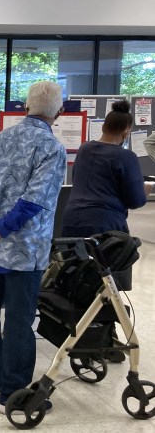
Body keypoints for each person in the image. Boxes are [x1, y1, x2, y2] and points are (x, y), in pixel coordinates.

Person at [0, 80, 66, 414]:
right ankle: (12, 392)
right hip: (25, 252)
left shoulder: (0, 138)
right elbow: (32, 204)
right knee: (20, 321)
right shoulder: (52, 149)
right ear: (58, 113)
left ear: (26, 106)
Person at [61, 100, 151, 363]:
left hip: (73, 221)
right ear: (126, 131)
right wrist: (144, 191)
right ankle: (102, 340)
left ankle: (82, 335)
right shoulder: (125, 156)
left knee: (78, 279)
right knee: (107, 285)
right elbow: (135, 200)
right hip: (105, 227)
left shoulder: (86, 149)